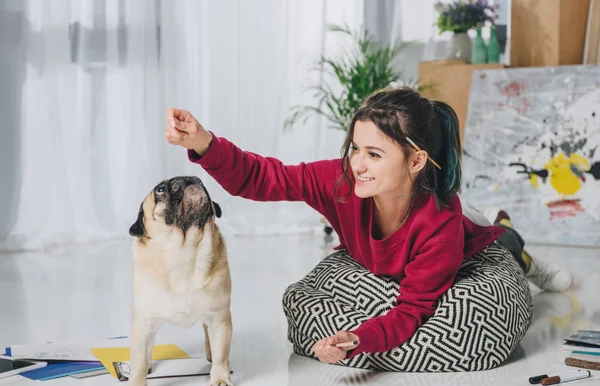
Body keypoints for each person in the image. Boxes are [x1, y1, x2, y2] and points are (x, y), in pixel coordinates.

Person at [164, 87, 570, 371]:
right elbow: (261, 177)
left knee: (501, 239)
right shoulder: (342, 182)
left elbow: (411, 311)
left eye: (374, 154)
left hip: (467, 233)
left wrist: (362, 338)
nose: (357, 163)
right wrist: (203, 141)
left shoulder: (440, 227)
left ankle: (523, 252)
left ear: (415, 161)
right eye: (356, 148)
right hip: (427, 217)